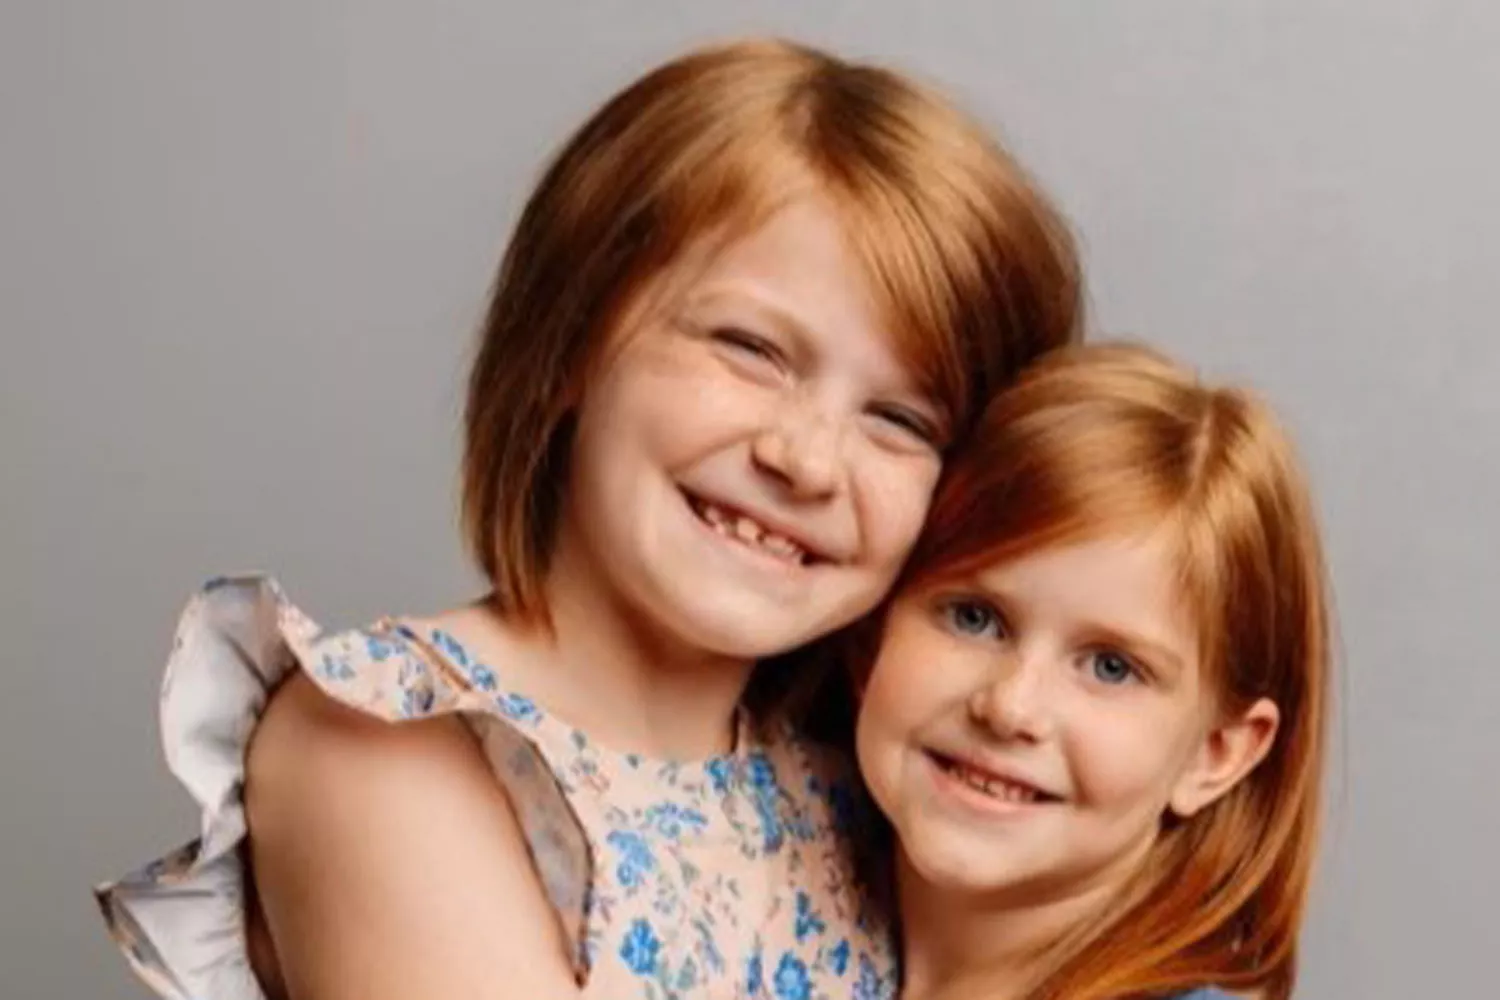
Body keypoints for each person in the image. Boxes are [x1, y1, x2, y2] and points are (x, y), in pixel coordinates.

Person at [95, 38, 1082, 1000]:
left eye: (902, 420)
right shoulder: (380, 738)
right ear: (572, 339)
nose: (809, 460)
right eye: (748, 349)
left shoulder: (867, 778)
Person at [854, 343, 1330, 1000]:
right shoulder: (778, 893)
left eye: (1111, 667)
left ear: (1216, 754)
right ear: (878, 619)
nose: (1010, 707)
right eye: (974, 618)